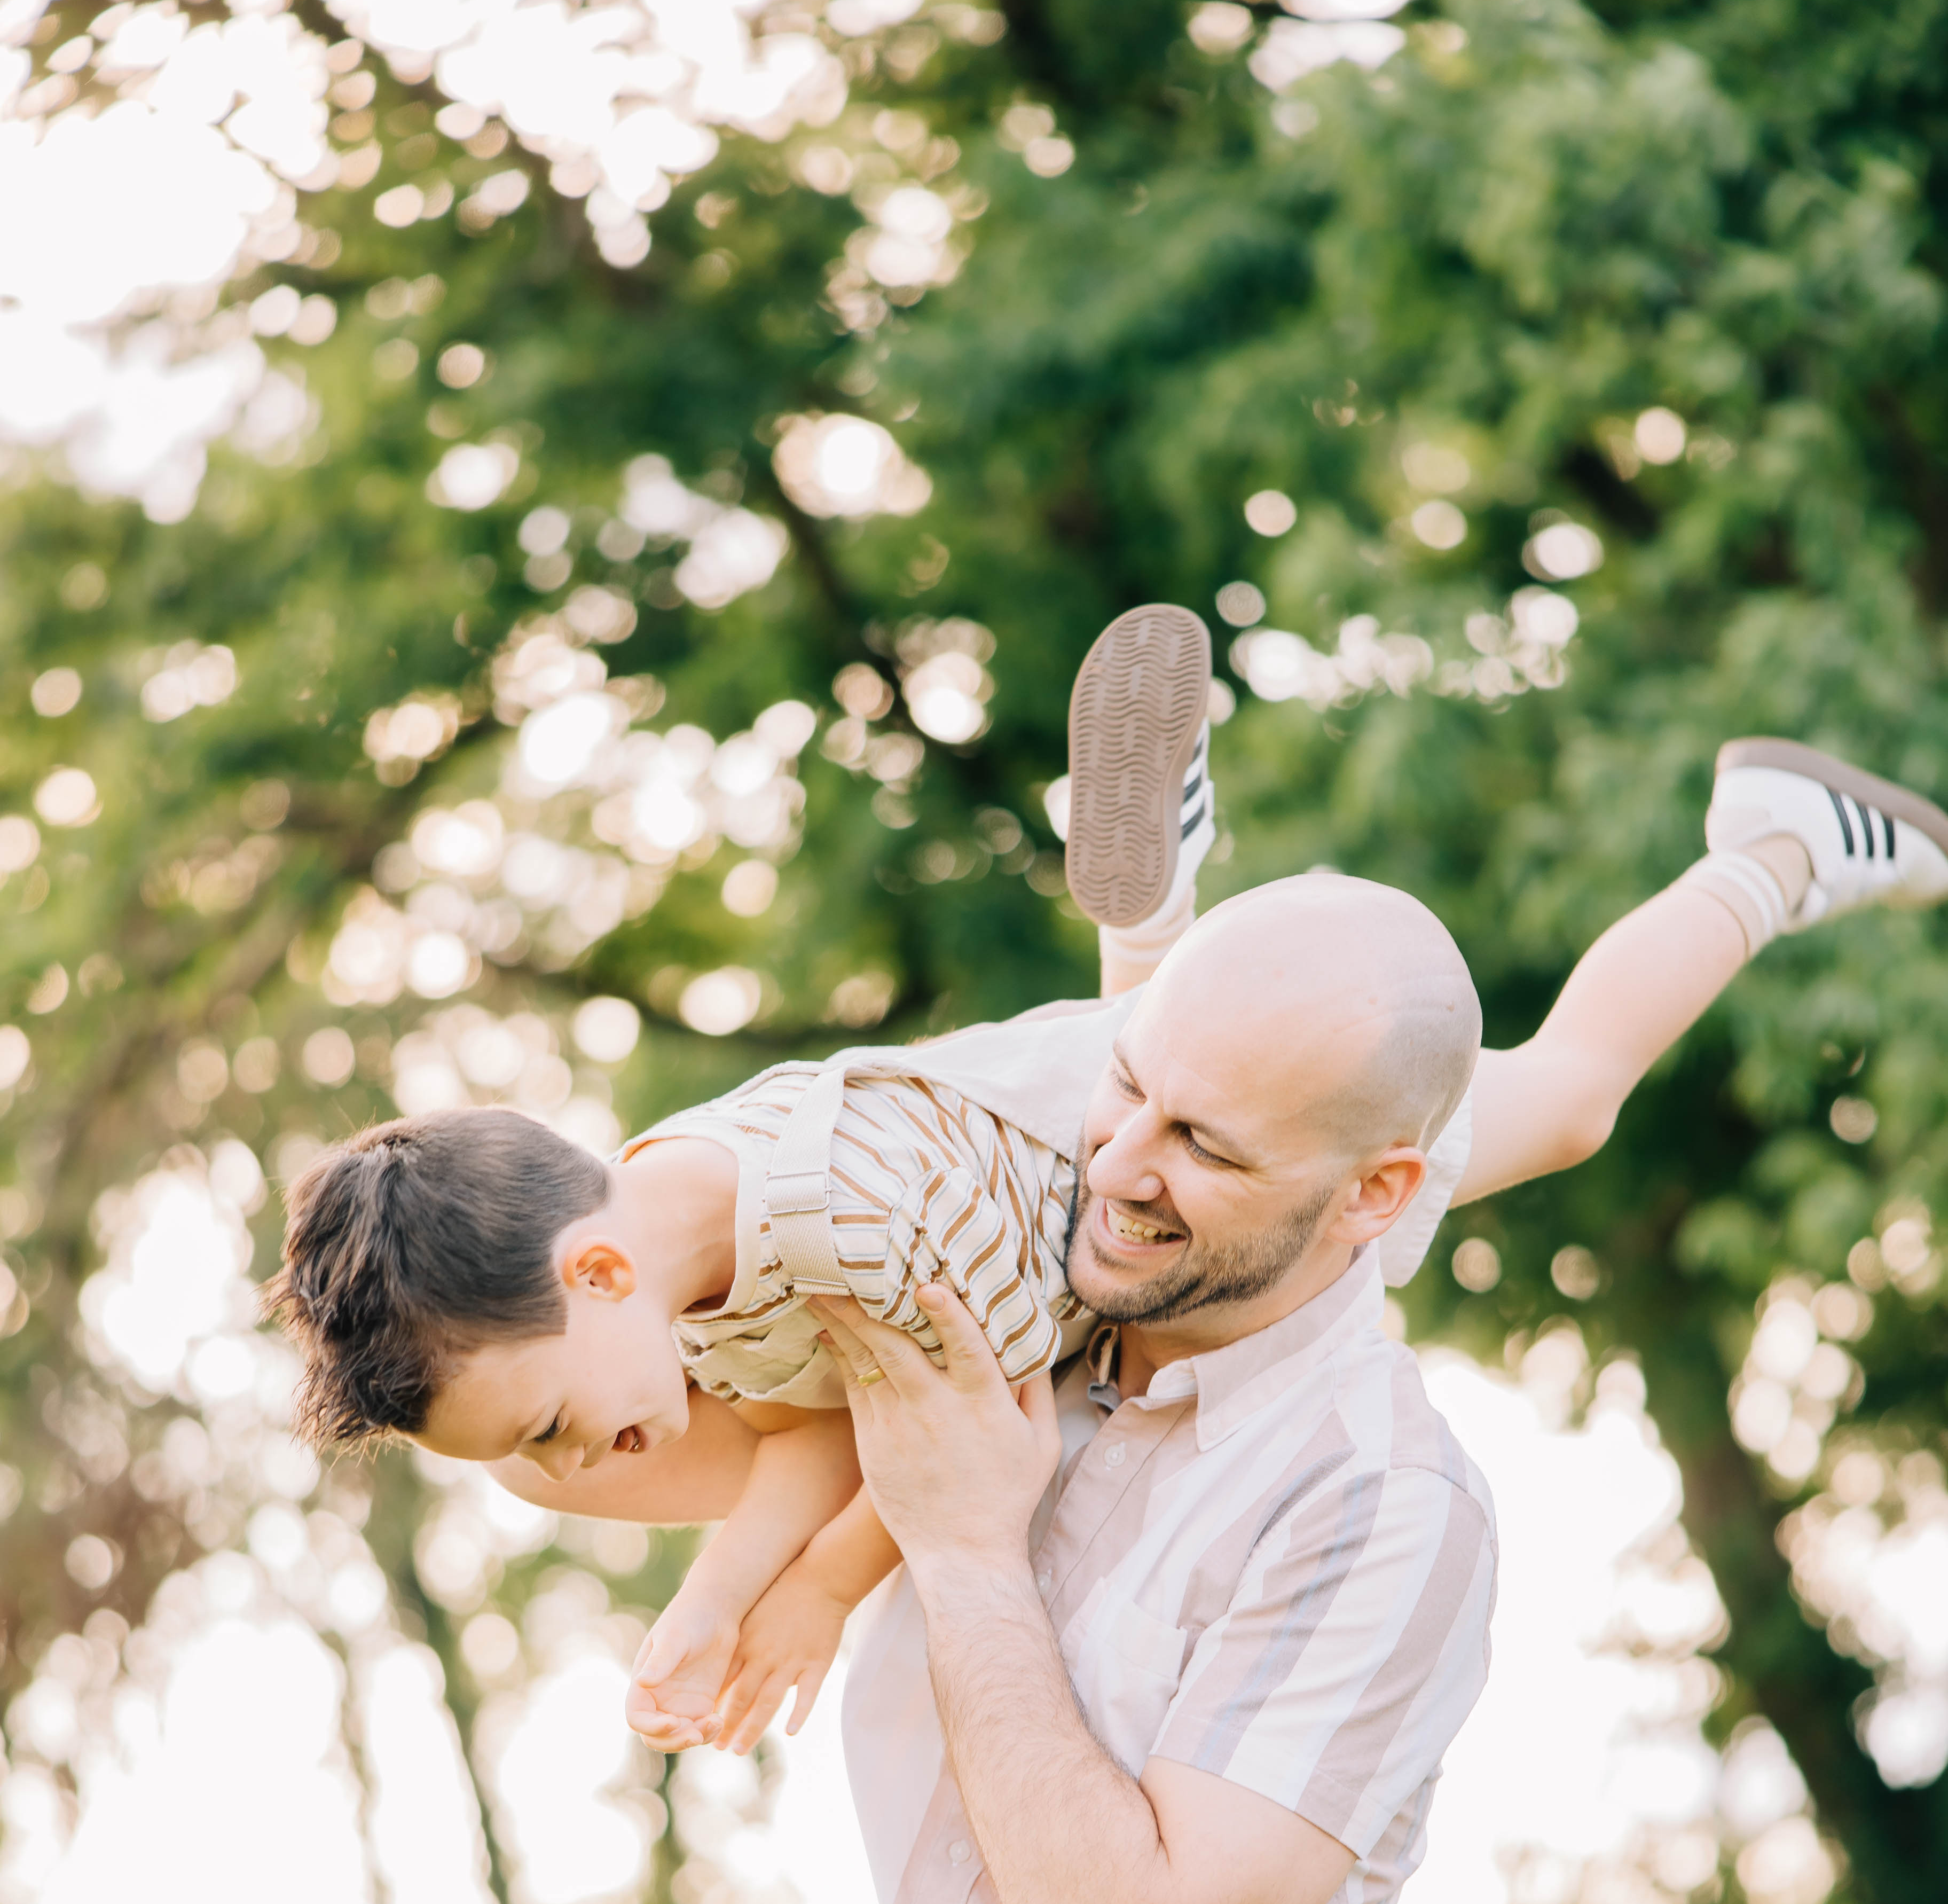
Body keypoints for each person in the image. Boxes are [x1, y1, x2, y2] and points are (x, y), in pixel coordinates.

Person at [267, 600, 1948, 1772]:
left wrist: (800, 1598)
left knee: (1567, 1101)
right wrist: (713, 1597)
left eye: (558, 1423)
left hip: (1137, 1177)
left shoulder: (847, 1231)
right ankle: (1154, 937)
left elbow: (935, 1437)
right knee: (1134, 1087)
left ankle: (1775, 847)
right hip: (1074, 1110)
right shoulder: (669, 1223)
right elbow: (821, 1418)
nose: (569, 1464)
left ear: (598, 1275)